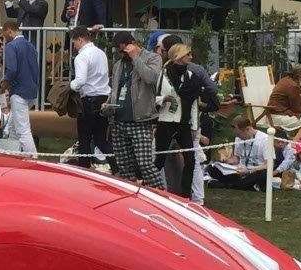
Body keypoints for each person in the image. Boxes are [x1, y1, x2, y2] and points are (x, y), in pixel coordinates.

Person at [154, 44, 217, 198]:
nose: (191, 57)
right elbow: (152, 98)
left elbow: (194, 103)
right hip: (166, 122)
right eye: (188, 54)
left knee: (191, 160)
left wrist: (194, 126)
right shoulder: (163, 75)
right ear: (179, 56)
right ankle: (156, 191)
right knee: (159, 160)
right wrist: (163, 99)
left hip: (184, 123)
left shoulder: (191, 77)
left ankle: (185, 195)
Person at [104, 30, 163, 188]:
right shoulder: (118, 64)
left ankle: (161, 192)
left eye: (123, 49)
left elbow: (151, 78)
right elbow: (116, 88)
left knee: (145, 164)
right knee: (124, 165)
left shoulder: (153, 58)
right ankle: (129, 195)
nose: (121, 52)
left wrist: (135, 57)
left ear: (133, 44)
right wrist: (108, 103)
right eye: (119, 50)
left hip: (140, 119)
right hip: (118, 120)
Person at [68, 26, 112, 167]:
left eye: (74, 42)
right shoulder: (101, 53)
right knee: (100, 139)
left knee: (84, 138)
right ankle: (118, 166)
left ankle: (84, 168)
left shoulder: (82, 56)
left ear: (80, 39)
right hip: (104, 98)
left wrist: (69, 86)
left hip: (89, 100)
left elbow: (80, 80)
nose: (74, 46)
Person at [2, 19, 40, 156]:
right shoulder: (31, 45)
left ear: (9, 30)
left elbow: (11, 70)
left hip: (18, 91)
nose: (4, 37)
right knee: (13, 127)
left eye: (4, 33)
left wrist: (4, 83)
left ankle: (34, 159)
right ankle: (11, 155)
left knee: (23, 130)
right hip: (31, 89)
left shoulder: (11, 46)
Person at [207, 116, 270, 190]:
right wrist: (228, 161)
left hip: (255, 171)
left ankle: (226, 185)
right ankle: (244, 185)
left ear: (247, 129)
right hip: (239, 171)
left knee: (262, 174)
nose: (238, 137)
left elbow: (269, 164)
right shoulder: (238, 138)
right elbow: (237, 157)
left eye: (239, 134)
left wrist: (249, 170)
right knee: (212, 168)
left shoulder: (265, 139)